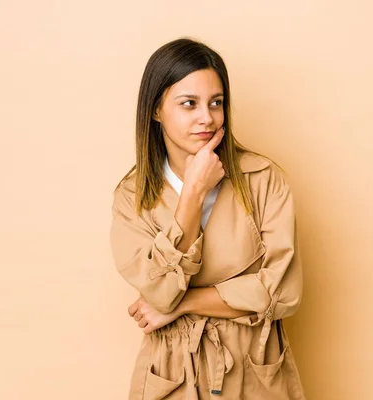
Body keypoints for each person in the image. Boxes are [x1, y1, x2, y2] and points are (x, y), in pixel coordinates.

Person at [109, 37, 305, 400]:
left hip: (255, 371)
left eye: (217, 103)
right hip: (171, 372)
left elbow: (284, 292)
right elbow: (160, 291)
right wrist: (193, 194)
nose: (208, 117)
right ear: (155, 110)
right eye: (189, 104)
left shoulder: (263, 179)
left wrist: (183, 304)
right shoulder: (131, 197)